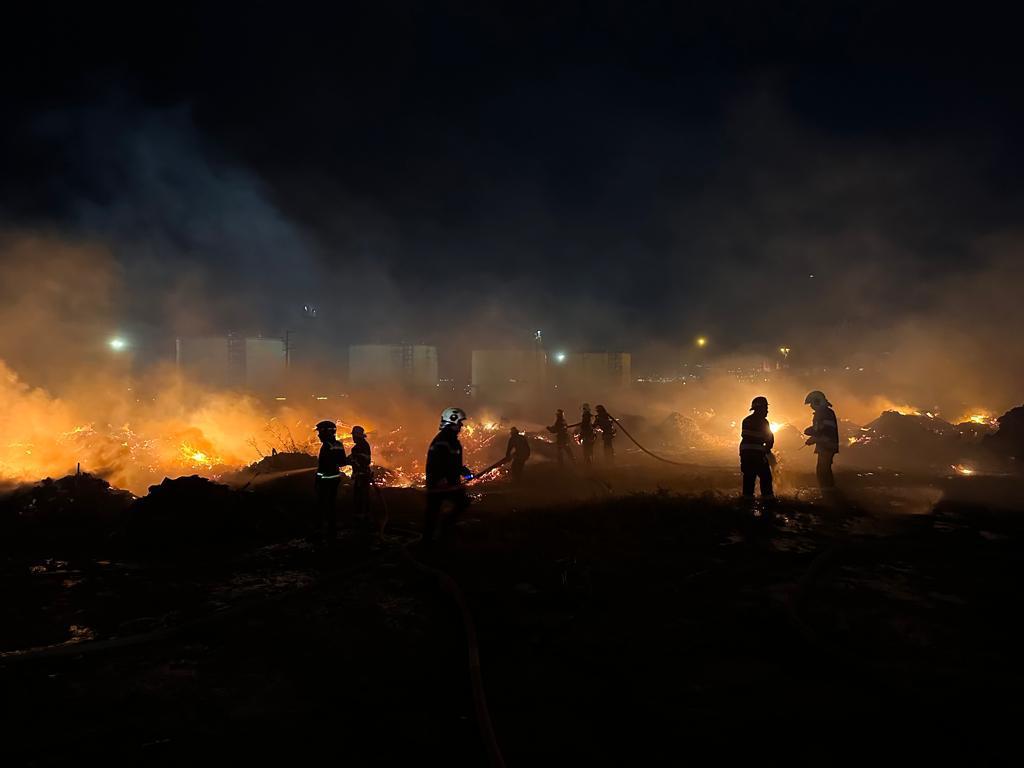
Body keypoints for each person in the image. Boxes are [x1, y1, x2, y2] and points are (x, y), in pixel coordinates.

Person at [424, 407, 473, 548]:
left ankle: (436, 537)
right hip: (440, 484)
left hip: (446, 483)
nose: (461, 425)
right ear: (452, 421)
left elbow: (453, 462)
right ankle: (433, 541)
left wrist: (464, 471)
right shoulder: (443, 441)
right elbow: (439, 463)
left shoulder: (450, 440)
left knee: (436, 511)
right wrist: (443, 480)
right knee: (437, 511)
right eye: (460, 422)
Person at [313, 420, 348, 543]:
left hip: (325, 481)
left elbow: (322, 467)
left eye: (320, 432)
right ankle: (332, 531)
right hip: (335, 479)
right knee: (332, 505)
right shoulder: (338, 444)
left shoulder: (326, 446)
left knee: (321, 506)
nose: (318, 435)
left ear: (326, 432)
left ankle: (320, 532)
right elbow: (343, 462)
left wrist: (318, 479)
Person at [739, 397, 775, 499]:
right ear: (760, 409)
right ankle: (768, 502)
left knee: (748, 479)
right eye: (766, 408)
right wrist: (768, 448)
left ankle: (747, 502)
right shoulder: (763, 422)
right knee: (766, 478)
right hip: (758, 455)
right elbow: (769, 439)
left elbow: (747, 436)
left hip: (745, 455)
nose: (767, 411)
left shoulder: (746, 420)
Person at [804, 390, 839, 488]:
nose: (811, 406)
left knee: (823, 470)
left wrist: (814, 438)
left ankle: (828, 491)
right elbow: (820, 429)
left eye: (812, 403)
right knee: (824, 469)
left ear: (817, 401)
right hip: (825, 446)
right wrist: (811, 432)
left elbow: (827, 431)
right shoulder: (823, 413)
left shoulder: (825, 413)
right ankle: (829, 490)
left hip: (827, 445)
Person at [349, 425, 372, 523]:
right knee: (364, 498)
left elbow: (360, 460)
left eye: (353, 435)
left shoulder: (358, 447)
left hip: (361, 477)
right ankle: (365, 519)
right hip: (364, 476)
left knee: (359, 499)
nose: (352, 437)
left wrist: (344, 461)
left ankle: (359, 521)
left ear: (357, 436)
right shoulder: (364, 445)